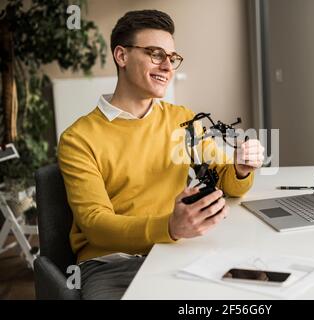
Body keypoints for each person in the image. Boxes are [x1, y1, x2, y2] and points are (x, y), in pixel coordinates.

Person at [57, 9, 264, 299]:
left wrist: (241, 168)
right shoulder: (78, 138)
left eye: (172, 58)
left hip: (176, 252)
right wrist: (168, 226)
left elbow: (227, 181)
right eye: (156, 54)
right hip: (112, 265)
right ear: (122, 56)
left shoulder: (182, 120)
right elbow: (95, 224)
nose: (168, 66)